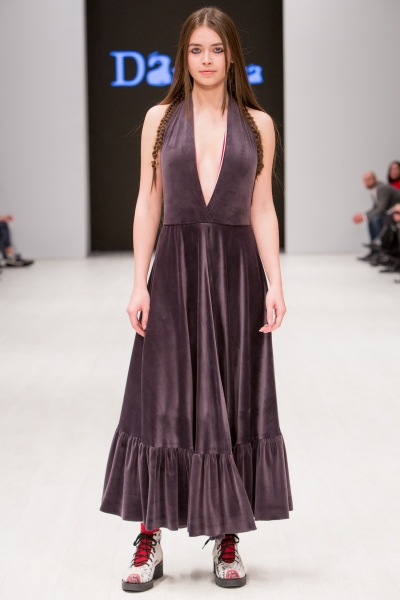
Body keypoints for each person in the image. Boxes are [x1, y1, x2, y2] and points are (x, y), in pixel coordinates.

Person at [100, 7, 292, 592]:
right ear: (183, 57)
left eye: (216, 49)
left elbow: (262, 207)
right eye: (195, 50)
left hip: (237, 277)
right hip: (176, 274)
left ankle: (227, 536)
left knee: (232, 400)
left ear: (232, 55)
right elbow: (147, 202)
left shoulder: (258, 124)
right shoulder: (159, 119)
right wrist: (139, 281)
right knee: (162, 402)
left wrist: (275, 282)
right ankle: (149, 536)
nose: (206, 60)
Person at [353, 172, 400, 261]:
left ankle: (380, 248)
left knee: (376, 219)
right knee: (372, 218)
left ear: (375, 179)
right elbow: (375, 208)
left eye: (369, 179)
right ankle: (374, 252)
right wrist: (363, 215)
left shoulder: (381, 188)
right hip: (392, 213)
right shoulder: (374, 190)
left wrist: (364, 217)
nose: (367, 182)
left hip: (396, 212)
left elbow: (382, 208)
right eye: (365, 180)